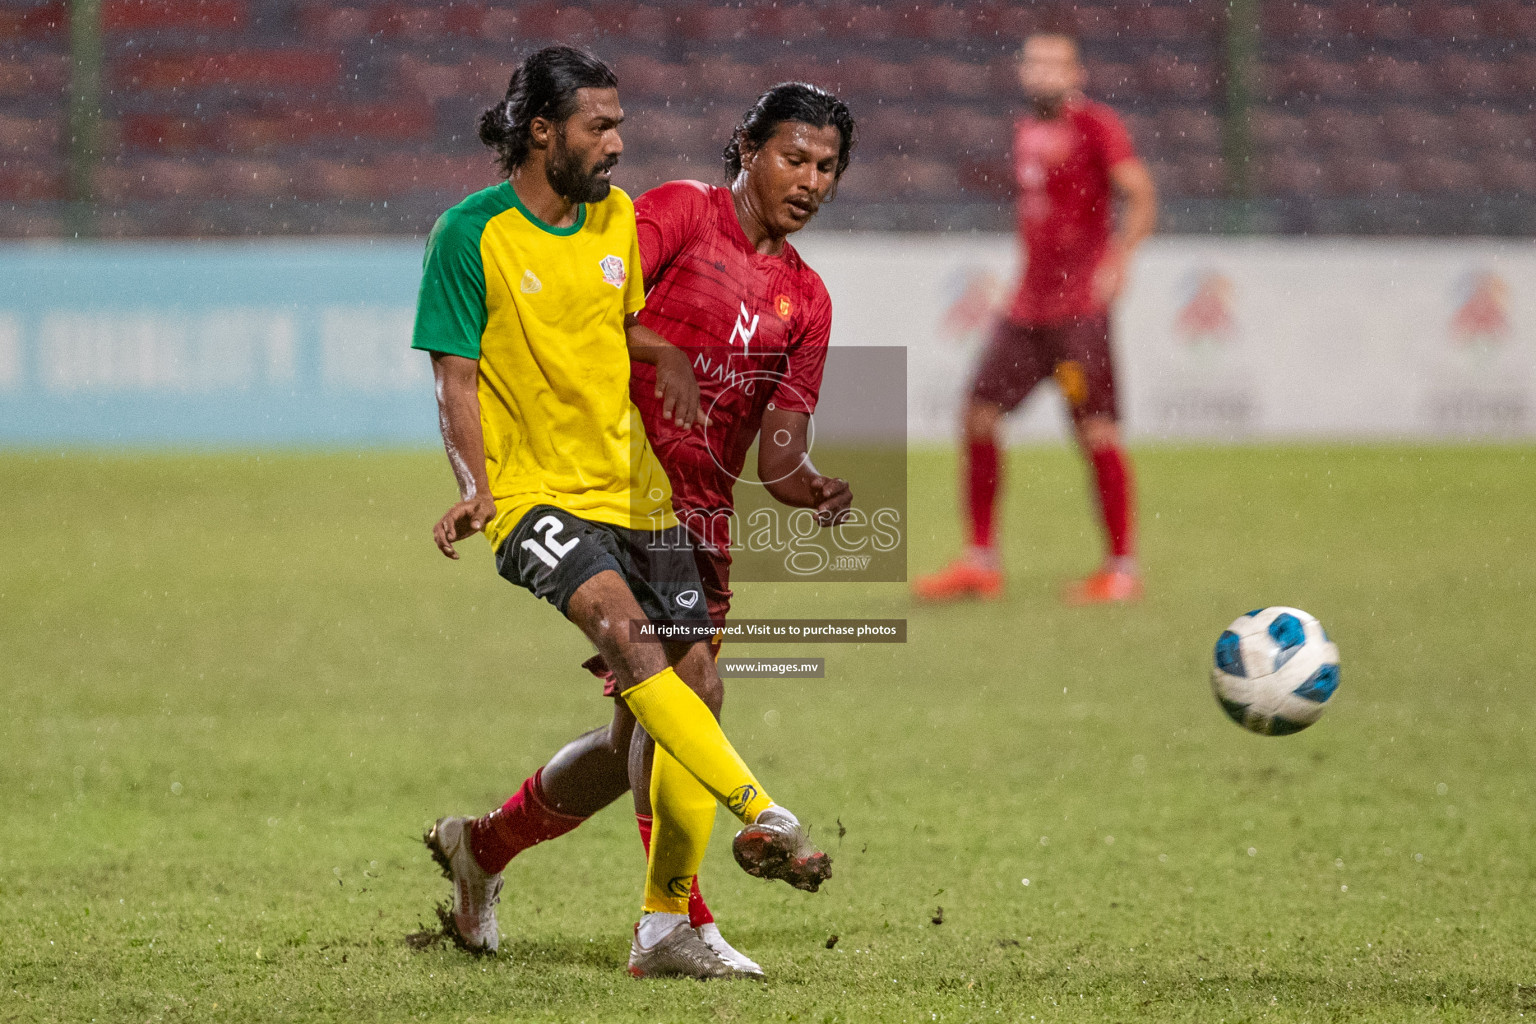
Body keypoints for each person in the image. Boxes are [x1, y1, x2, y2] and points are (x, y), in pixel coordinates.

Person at [410, 47, 829, 980]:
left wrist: (669, 357)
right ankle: (757, 817)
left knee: (673, 703)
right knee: (631, 639)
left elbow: (625, 323)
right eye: (600, 126)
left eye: (620, 125)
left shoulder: (613, 220)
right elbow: (455, 379)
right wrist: (476, 485)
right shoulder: (468, 235)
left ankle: (487, 847)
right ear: (542, 131)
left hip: (642, 494)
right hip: (535, 498)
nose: (617, 142)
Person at [913, 32, 1157, 605]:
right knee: (977, 415)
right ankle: (980, 561)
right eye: (1035, 62)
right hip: (1026, 310)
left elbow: (1141, 195)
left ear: (1077, 74)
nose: (1044, 72)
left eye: (1056, 63)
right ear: (1022, 72)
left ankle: (1122, 569)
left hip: (1078, 314)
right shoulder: (1025, 129)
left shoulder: (1096, 125)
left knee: (1096, 431)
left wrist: (1119, 259)